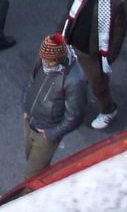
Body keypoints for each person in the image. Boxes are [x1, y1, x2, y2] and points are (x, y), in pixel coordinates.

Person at [59, 0, 127, 130]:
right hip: (73, 46)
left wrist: (109, 57)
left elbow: (119, 33)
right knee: (69, 80)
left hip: (94, 54)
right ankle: (71, 105)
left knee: (98, 86)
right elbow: (69, 14)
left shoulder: (116, 2)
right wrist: (60, 36)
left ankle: (108, 110)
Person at [20, 33, 88, 178]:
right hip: (30, 121)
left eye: (48, 61)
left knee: (32, 175)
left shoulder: (75, 80)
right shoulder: (45, 60)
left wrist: (51, 133)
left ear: (59, 59)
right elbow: (30, 82)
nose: (44, 62)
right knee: (31, 160)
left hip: (46, 132)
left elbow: (75, 117)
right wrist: (25, 108)